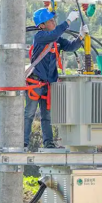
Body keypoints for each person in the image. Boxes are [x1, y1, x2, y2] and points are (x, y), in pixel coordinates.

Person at [24, 8, 88, 149]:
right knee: (29, 113)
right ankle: (23, 143)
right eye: (50, 21)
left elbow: (71, 47)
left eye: (53, 20)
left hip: (48, 84)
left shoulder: (56, 39)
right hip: (36, 82)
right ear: (42, 25)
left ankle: (49, 143)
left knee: (47, 116)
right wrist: (68, 21)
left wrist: (81, 37)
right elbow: (54, 34)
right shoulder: (40, 37)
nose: (53, 22)